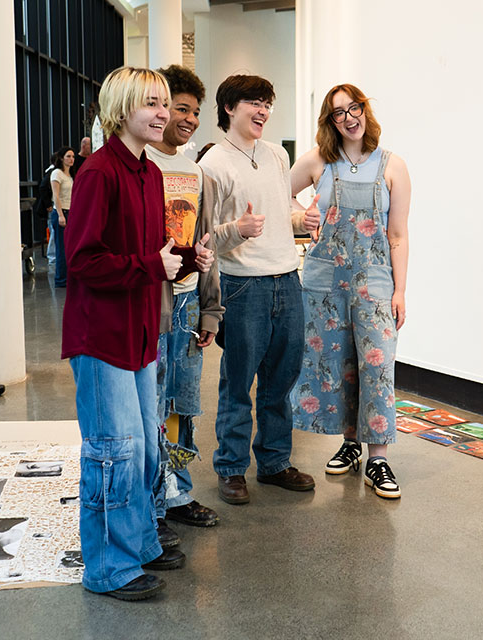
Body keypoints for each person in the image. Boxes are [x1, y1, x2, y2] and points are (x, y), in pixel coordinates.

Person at [62, 66, 212, 602]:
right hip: (101, 337)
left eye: (165, 103)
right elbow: (81, 261)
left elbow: (156, 252)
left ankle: (141, 541)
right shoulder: (99, 173)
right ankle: (107, 567)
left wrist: (189, 257)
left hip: (141, 333)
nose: (163, 113)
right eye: (151, 103)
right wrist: (153, 266)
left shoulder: (150, 173)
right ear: (121, 107)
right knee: (113, 451)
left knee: (147, 449)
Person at [198, 74, 321, 505]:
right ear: (230, 107)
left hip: (287, 280)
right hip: (241, 286)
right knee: (238, 382)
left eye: (267, 102)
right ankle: (231, 469)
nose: (263, 110)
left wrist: (299, 221)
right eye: (254, 101)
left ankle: (273, 462)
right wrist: (238, 229)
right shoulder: (212, 164)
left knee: (281, 380)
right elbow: (204, 236)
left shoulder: (276, 155)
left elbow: (279, 211)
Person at [289, 84, 411, 500]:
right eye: (338, 113)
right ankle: (351, 444)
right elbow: (274, 192)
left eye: (353, 108)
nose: (348, 118)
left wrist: (400, 291)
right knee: (338, 364)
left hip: (375, 281)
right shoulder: (320, 160)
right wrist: (298, 215)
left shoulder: (393, 166)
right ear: (331, 122)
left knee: (377, 368)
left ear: (365, 110)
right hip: (325, 282)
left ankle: (378, 459)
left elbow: (397, 235)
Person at [145, 65, 222, 538]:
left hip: (190, 306)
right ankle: (150, 500)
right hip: (152, 306)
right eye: (180, 108)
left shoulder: (196, 174)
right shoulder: (143, 166)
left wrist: (211, 309)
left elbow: (207, 245)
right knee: (149, 404)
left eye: (195, 111)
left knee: (182, 404)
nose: (189, 118)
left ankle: (178, 493)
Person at [50, 146, 76, 288]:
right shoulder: (57, 174)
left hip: (70, 212)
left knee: (69, 247)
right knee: (61, 247)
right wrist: (60, 215)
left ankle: (68, 277)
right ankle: (61, 279)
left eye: (72, 156)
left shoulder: (69, 175)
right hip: (62, 213)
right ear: (61, 158)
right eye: (68, 156)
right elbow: (56, 196)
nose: (71, 159)